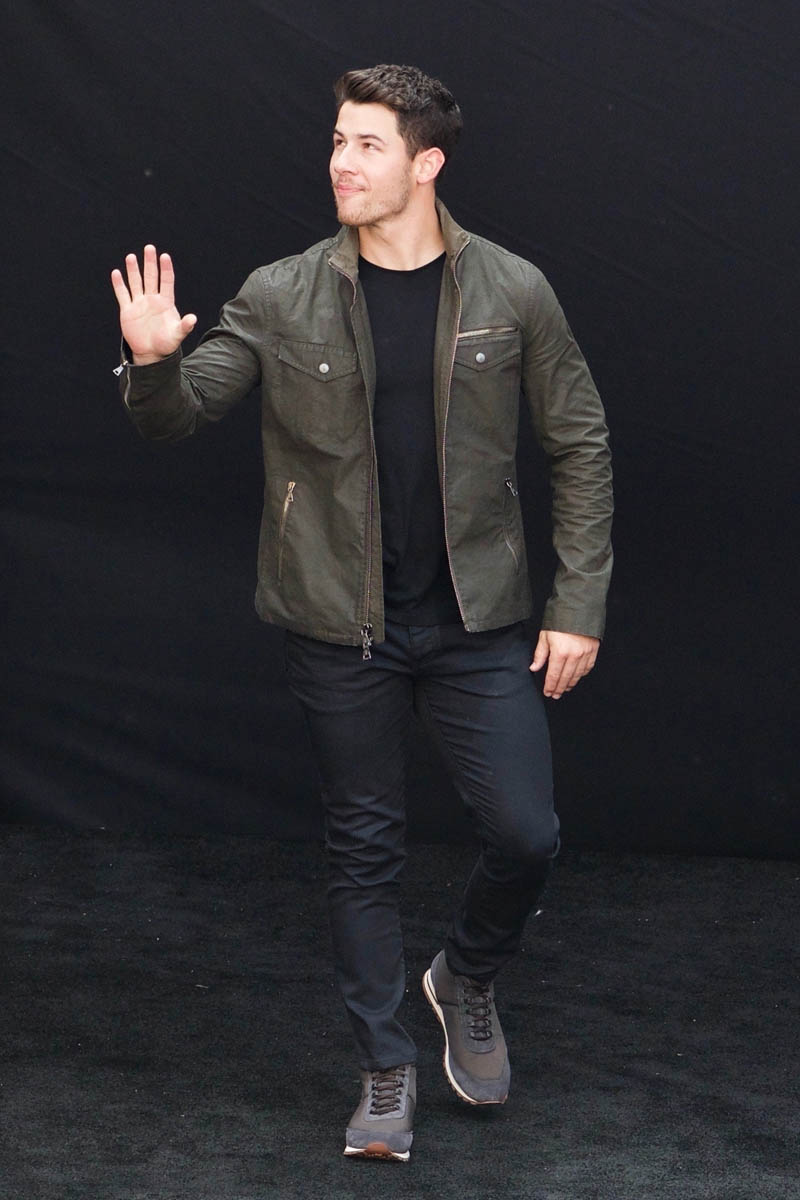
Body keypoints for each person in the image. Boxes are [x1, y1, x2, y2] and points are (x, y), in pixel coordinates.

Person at [111, 63, 613, 1162]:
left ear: (426, 163)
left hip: (477, 621)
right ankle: (385, 1067)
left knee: (526, 834)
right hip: (341, 622)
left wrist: (576, 603)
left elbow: (578, 443)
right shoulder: (281, 292)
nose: (342, 162)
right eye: (338, 140)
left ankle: (463, 975)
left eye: (368, 144)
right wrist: (152, 365)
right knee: (364, 846)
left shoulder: (512, 290)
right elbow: (180, 414)